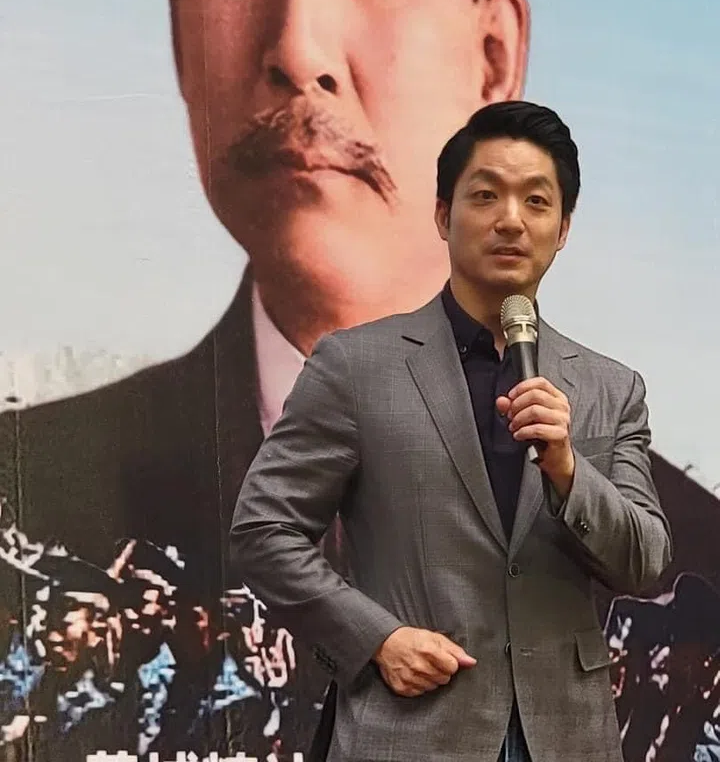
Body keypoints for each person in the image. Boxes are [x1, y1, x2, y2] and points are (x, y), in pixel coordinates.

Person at [0, 0, 529, 758]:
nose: (296, 48)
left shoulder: (686, 576)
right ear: (176, 13)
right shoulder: (23, 512)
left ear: (493, 60)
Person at [230, 100, 672, 762]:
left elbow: (645, 561)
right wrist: (375, 640)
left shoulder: (611, 388)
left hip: (567, 736)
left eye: (536, 201)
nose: (511, 220)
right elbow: (264, 531)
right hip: (411, 729)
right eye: (486, 195)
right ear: (443, 215)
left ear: (563, 229)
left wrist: (567, 470)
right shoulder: (357, 366)